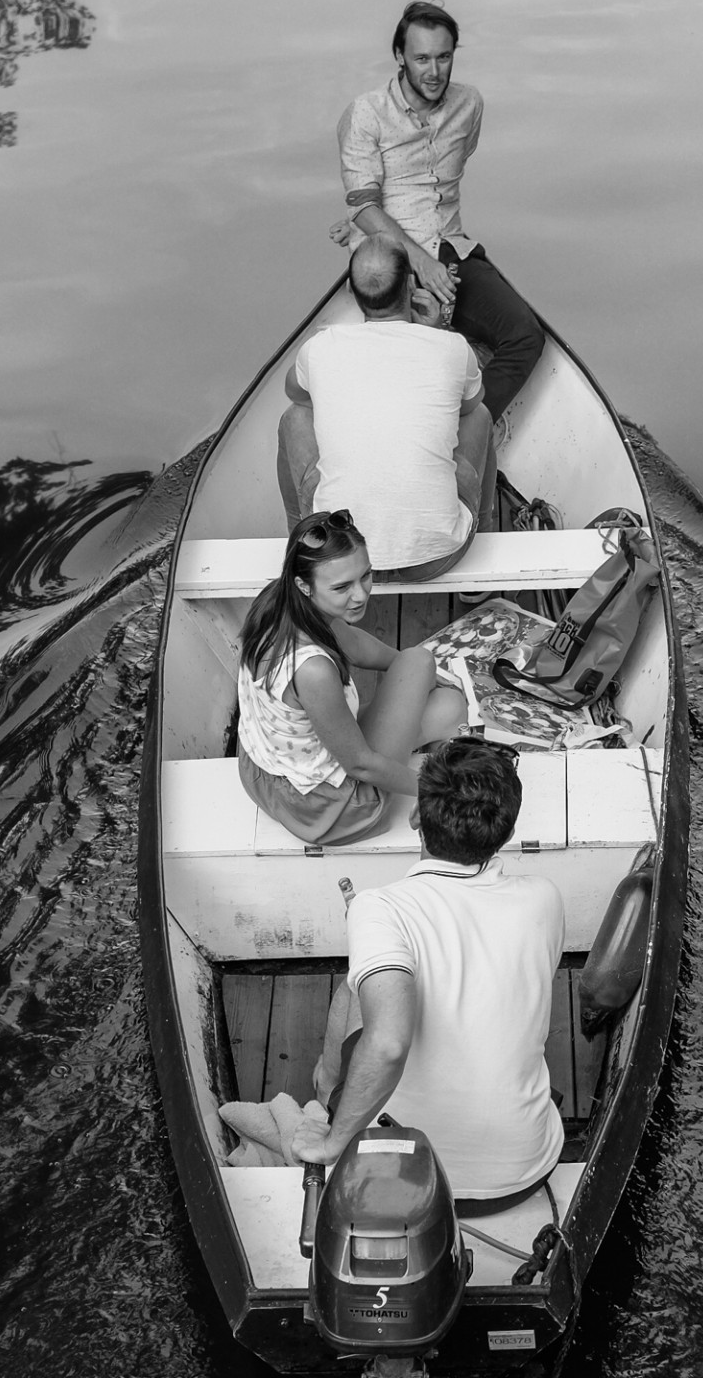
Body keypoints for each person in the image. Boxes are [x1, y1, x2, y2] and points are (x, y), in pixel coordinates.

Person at [292, 738, 566, 1201]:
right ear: (506, 830)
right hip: (524, 1173)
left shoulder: (380, 907)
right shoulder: (545, 896)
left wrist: (333, 1143)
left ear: (418, 817)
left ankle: (325, 1092)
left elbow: (388, 1042)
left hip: (409, 1184)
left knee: (357, 990)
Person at [334, 0, 545, 423]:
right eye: (422, 58)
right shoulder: (366, 113)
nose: (434, 72)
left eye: (444, 57)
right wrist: (421, 262)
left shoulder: (469, 105)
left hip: (453, 246)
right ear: (399, 56)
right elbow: (363, 205)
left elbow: (450, 174)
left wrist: (435, 259)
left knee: (525, 336)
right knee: (410, 353)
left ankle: (465, 431)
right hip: (390, 258)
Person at [236, 510, 467, 846]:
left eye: (366, 576)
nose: (360, 595)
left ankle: (429, 702)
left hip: (265, 769)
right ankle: (440, 748)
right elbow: (360, 766)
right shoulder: (312, 670)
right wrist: (440, 790)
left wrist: (419, 677)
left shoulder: (279, 602)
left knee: (420, 668)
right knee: (444, 700)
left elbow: (353, 642)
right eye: (343, 587)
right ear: (304, 585)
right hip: (332, 807)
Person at [277, 238, 495, 576]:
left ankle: (304, 544)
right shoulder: (451, 347)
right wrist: (435, 333)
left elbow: (297, 396)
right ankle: (486, 527)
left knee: (294, 418)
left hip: (341, 558)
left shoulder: (320, 348)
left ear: (350, 289)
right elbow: (470, 406)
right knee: (480, 415)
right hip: (436, 558)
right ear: (410, 284)